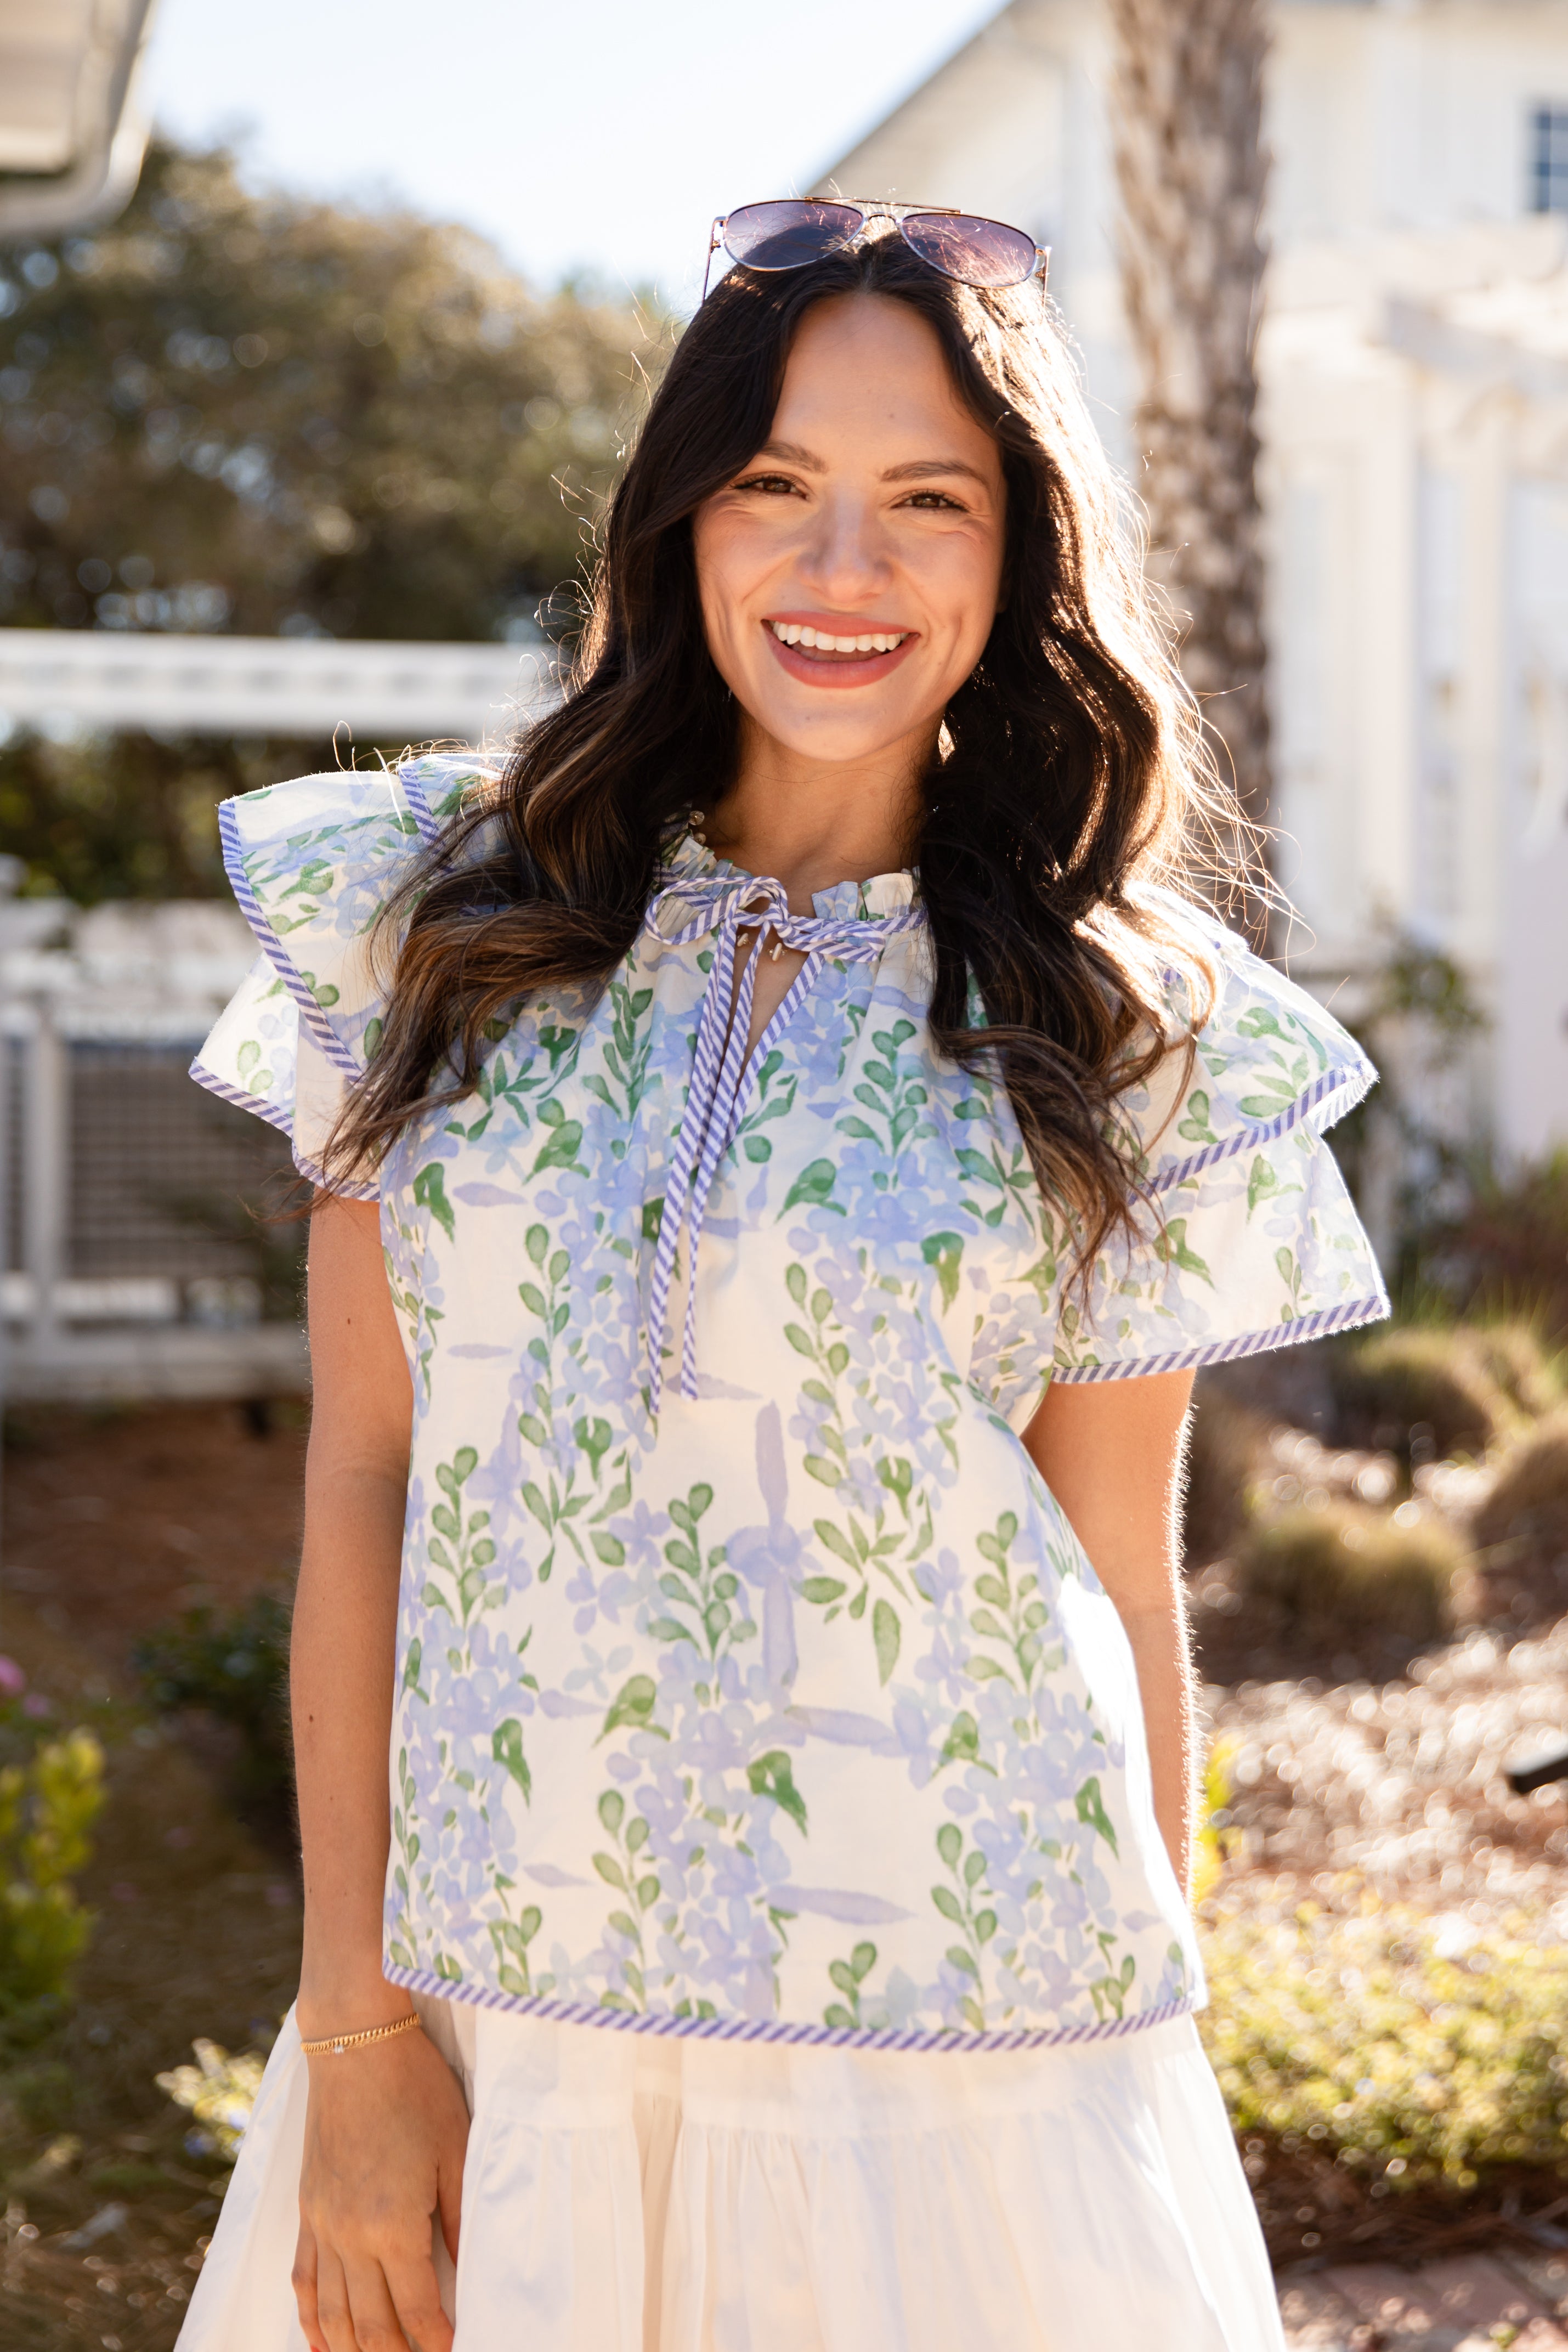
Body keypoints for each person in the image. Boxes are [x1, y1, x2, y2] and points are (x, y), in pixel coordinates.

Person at [180, 201, 1387, 2352]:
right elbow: (364, 1481)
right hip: (498, 2027)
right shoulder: (434, 929)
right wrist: (354, 2030)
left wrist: (1132, 2067)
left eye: (927, 500)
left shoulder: (1129, 1024)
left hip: (967, 2058)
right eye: (775, 484)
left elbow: (1116, 1574)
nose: (845, 567)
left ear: (1017, 554)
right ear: (681, 522)